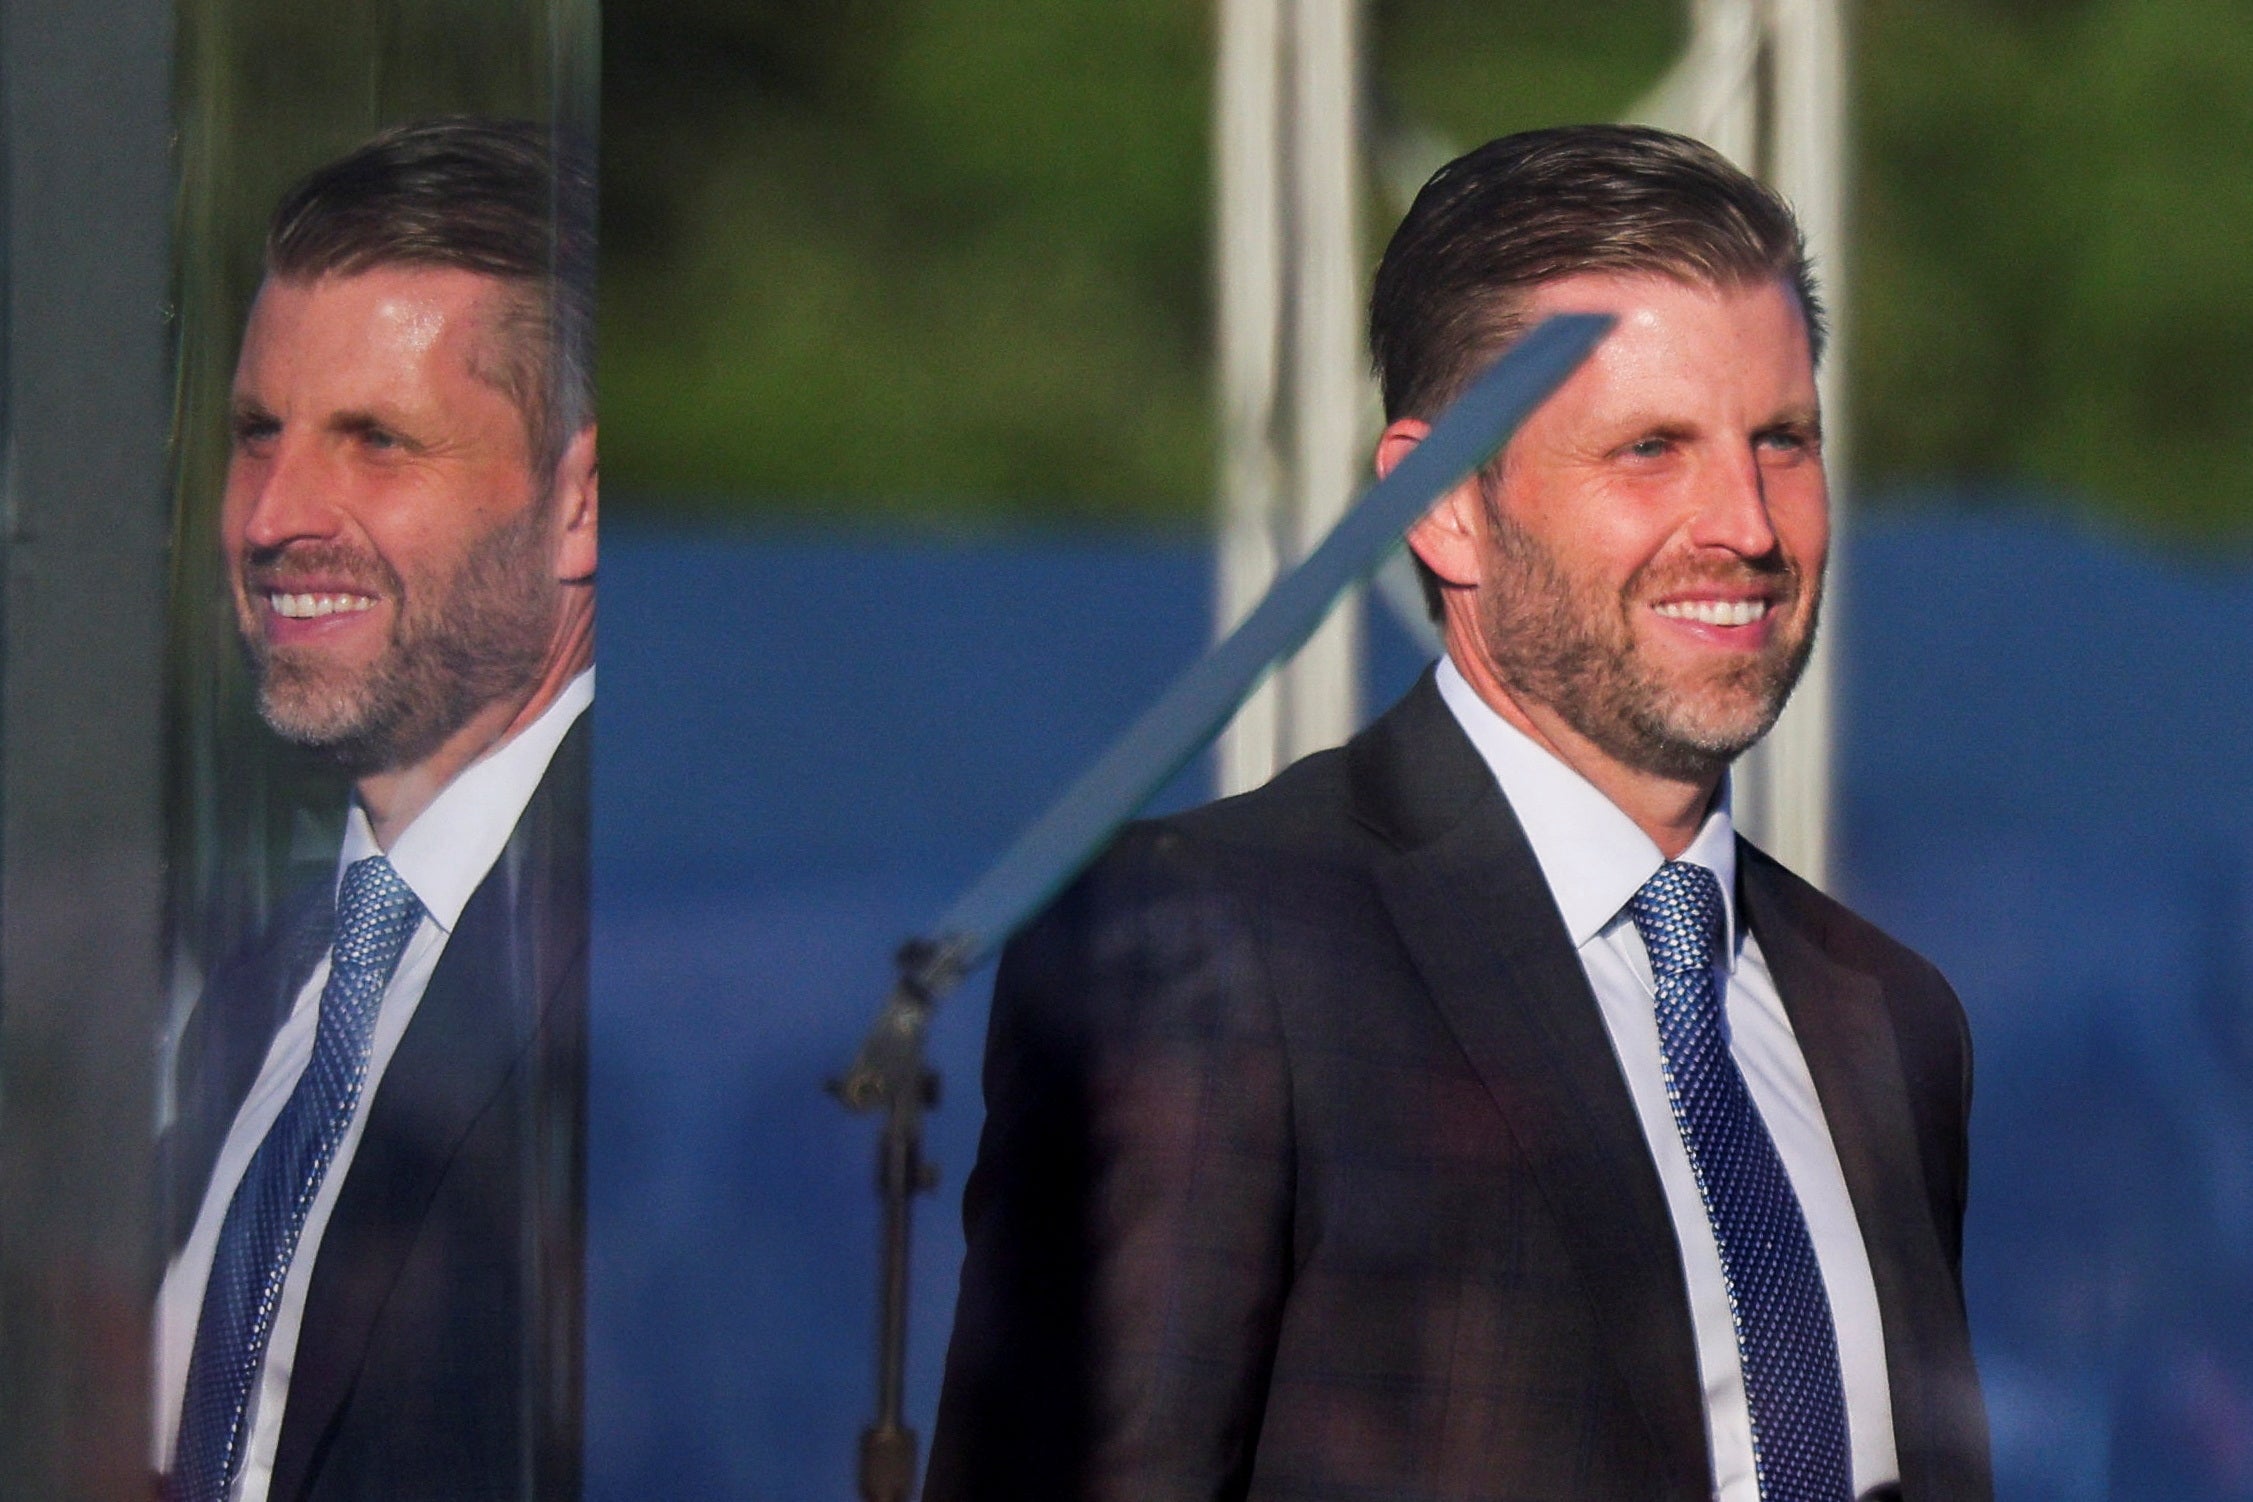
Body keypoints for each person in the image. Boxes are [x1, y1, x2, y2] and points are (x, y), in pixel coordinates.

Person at [926, 125, 1991, 1502]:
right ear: (1441, 506)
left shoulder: (1884, 1017)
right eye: (1649, 448)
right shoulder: (1209, 944)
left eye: (1779, 439)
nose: (1745, 520)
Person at [153, 117, 595, 1502]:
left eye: (377, 442)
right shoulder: (261, 991)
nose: (277, 512)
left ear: (580, 504)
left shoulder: (655, 962)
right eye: (257, 434)